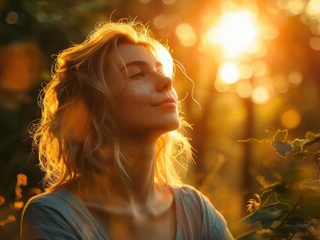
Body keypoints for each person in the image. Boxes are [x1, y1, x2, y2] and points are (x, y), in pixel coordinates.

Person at [20, 20, 234, 240]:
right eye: (137, 74)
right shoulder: (54, 215)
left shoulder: (196, 211)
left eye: (160, 70)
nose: (166, 81)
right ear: (95, 106)